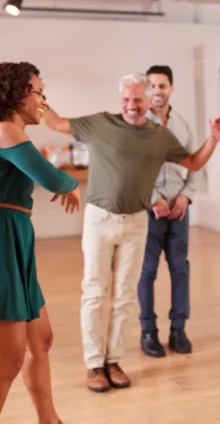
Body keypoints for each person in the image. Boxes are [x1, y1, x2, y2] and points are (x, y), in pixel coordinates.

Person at [41, 72, 220, 393]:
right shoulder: (101, 124)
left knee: (124, 297)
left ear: (147, 99)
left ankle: (113, 360)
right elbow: (56, 124)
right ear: (120, 99)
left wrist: (213, 138)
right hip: (100, 220)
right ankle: (93, 364)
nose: (131, 105)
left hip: (136, 223)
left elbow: (194, 163)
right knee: (95, 292)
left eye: (137, 99)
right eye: (126, 99)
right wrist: (36, 97)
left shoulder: (159, 135)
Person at [0, 62, 81, 424]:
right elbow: (52, 179)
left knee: (40, 338)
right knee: (10, 357)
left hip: (17, 238)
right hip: (3, 240)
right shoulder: (6, 131)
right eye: (39, 91)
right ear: (18, 94)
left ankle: (49, 419)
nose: (43, 100)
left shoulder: (13, 132)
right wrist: (71, 185)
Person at [138, 65, 207, 357]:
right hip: (148, 211)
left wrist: (186, 198)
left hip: (178, 210)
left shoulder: (183, 124)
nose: (157, 91)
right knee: (147, 271)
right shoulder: (138, 125)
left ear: (171, 88)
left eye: (162, 85)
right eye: (152, 86)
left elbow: (195, 164)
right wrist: (154, 198)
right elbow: (133, 170)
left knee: (180, 270)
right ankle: (148, 332)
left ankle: (178, 330)